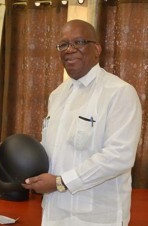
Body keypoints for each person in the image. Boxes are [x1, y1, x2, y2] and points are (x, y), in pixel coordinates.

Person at [22, 20, 142, 226]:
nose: (69, 50)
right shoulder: (57, 95)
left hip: (97, 218)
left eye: (78, 42)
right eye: (63, 45)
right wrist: (25, 165)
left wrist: (61, 182)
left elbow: (119, 156)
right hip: (53, 213)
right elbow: (54, 149)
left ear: (97, 49)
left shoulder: (119, 92)